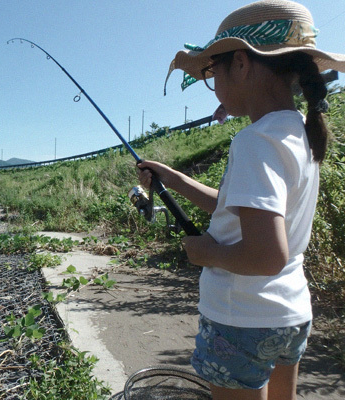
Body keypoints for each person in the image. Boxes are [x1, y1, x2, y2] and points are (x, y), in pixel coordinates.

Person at [137, 1, 345, 399]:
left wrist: (206, 253)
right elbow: (245, 213)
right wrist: (175, 178)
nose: (212, 83)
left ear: (242, 64)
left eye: (212, 71)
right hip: (290, 314)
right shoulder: (297, 132)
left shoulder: (255, 141)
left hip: (243, 317)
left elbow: (266, 255)